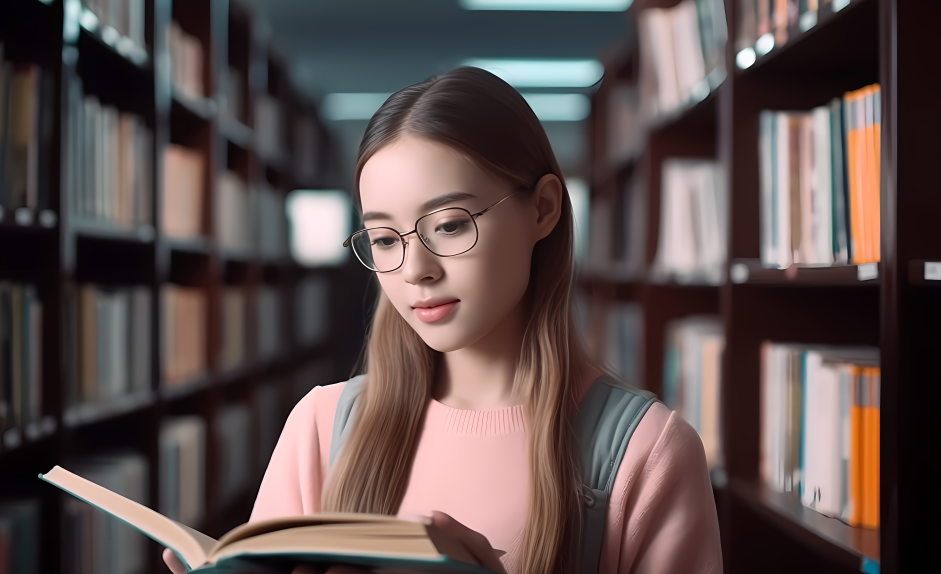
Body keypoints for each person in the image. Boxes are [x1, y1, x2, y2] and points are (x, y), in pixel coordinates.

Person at [164, 67, 722, 574]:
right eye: (385, 239)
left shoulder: (645, 451)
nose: (416, 270)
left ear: (543, 209)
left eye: (451, 225)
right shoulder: (321, 427)